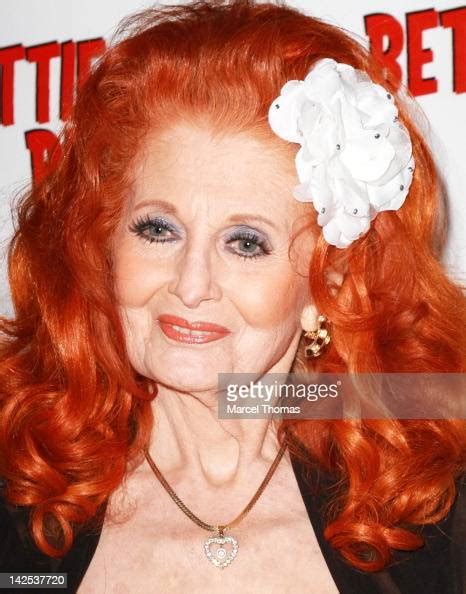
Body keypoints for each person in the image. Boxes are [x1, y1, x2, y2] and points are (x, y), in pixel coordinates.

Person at [1, 0, 465, 592]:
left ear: (331, 280)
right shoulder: (19, 497)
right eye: (157, 229)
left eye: (246, 243)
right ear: (101, 245)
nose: (191, 285)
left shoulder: (434, 515)